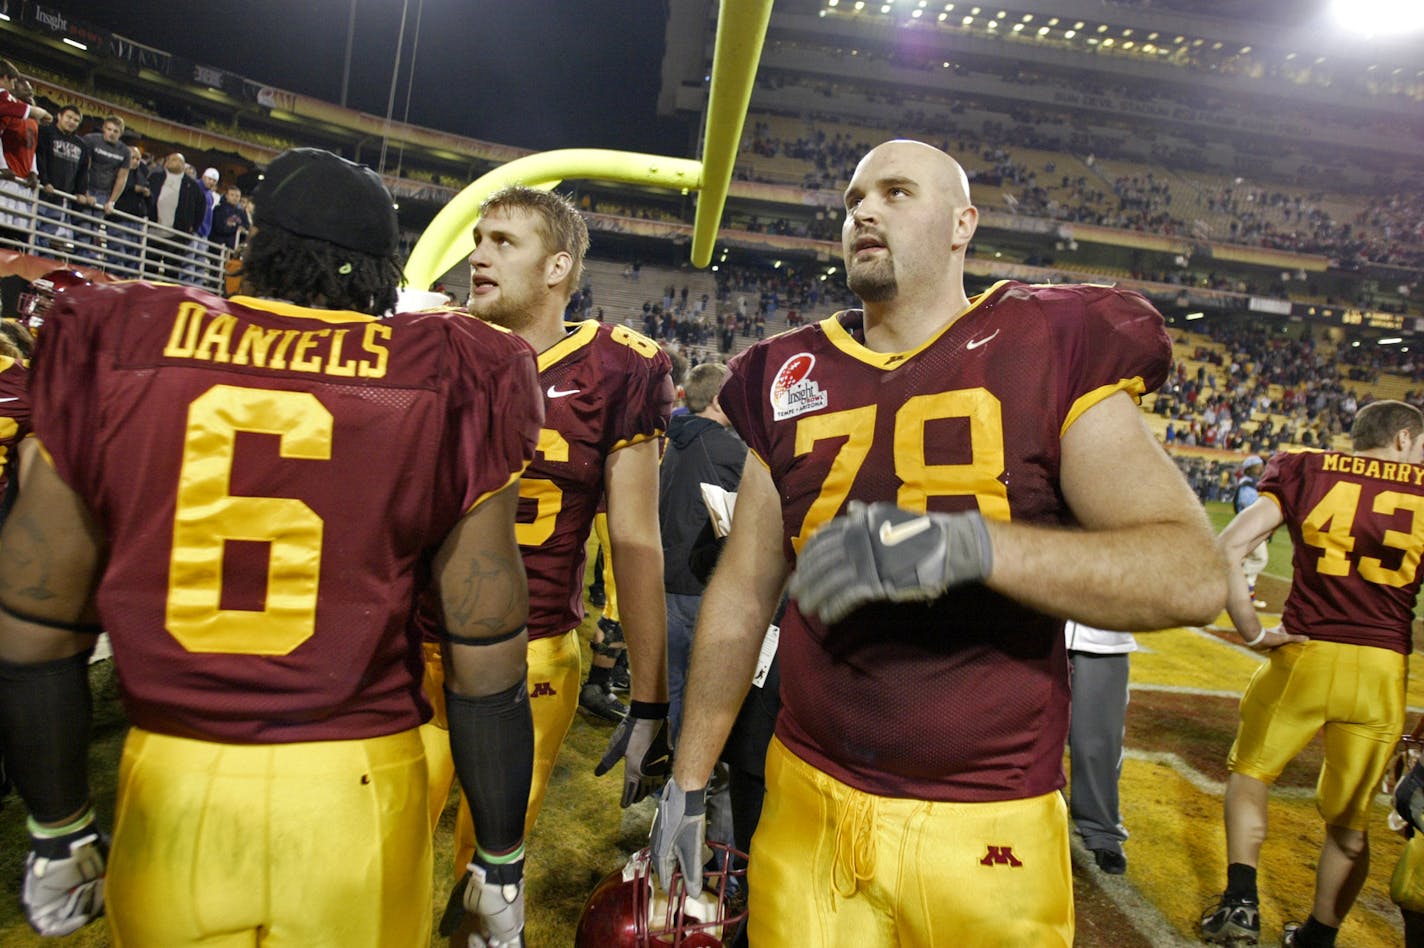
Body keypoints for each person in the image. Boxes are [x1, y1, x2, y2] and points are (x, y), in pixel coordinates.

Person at [649, 139, 1225, 946]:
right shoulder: (785, 370)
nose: (864, 212)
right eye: (853, 199)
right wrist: (689, 779)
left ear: (964, 224)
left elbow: (1193, 573)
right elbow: (744, 591)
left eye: (894, 191)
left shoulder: (1047, 340)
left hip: (987, 816)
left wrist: (975, 549)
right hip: (805, 798)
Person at [0, 146, 544, 946]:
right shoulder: (451, 371)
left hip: (174, 783)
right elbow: (486, 638)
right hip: (355, 785)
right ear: (384, 271)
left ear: (254, 248)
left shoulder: (121, 339)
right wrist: (499, 855)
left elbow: (33, 617)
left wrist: (56, 823)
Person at [420, 185, 674, 894]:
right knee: (383, 842)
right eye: (479, 240)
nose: (478, 256)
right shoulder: (432, 345)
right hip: (410, 637)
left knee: (489, 862)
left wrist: (649, 695)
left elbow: (635, 539)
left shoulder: (620, 366)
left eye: (504, 242)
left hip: (528, 648)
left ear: (558, 266)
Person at [1204, 399, 1424, 948]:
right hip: (1381, 672)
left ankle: (1240, 906)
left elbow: (1228, 548)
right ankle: (1320, 936)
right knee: (1350, 824)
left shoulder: (1307, 467)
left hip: (1305, 654)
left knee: (1251, 773)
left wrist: (1253, 631)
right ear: (1401, 438)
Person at [659, 360, 745, 740]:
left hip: (664, 574)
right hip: (696, 582)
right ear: (716, 400)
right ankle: (684, 777)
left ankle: (659, 768)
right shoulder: (726, 448)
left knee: (671, 683)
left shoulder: (677, 434)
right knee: (700, 690)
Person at [1065, 620, 1136, 875]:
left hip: (1104, 636)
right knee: (1029, 732)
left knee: (1097, 744)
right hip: (1032, 631)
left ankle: (1101, 830)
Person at [1234, 454, 1270, 609]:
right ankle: (1231, 576)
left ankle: (1248, 596)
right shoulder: (1247, 485)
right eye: (1258, 466)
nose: (1261, 469)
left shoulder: (1255, 483)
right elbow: (1251, 505)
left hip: (1257, 526)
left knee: (1255, 565)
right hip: (1251, 527)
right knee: (1260, 559)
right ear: (1250, 469)